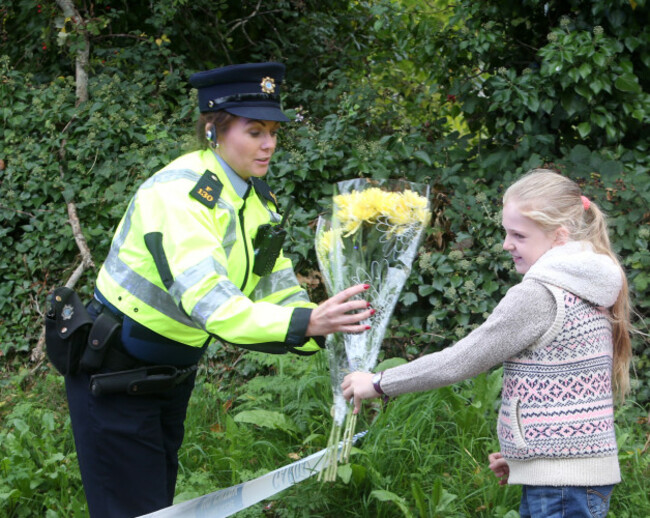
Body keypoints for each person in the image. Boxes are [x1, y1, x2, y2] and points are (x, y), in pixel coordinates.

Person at [63, 62, 372, 518]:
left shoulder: (254, 198)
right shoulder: (181, 196)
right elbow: (214, 305)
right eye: (254, 131)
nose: (269, 144)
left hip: (167, 380)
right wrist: (306, 322)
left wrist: (329, 328)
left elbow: (276, 286)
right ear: (214, 131)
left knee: (154, 507)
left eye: (273, 131)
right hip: (115, 379)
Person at [342, 169, 632, 518]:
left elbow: (462, 360)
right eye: (506, 232)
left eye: (518, 235)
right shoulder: (589, 286)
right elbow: (570, 393)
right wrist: (525, 463)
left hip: (561, 489)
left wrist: (378, 382)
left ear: (559, 237)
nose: (506, 244)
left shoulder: (541, 294)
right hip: (576, 480)